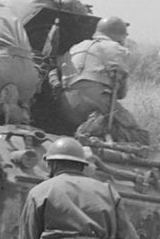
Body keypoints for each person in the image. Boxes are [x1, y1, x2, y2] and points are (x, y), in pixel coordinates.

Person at [62, 15, 148, 143]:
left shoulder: (75, 48)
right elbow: (121, 94)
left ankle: (90, 131)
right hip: (96, 106)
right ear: (120, 35)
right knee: (141, 137)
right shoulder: (118, 50)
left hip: (66, 106)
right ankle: (93, 133)